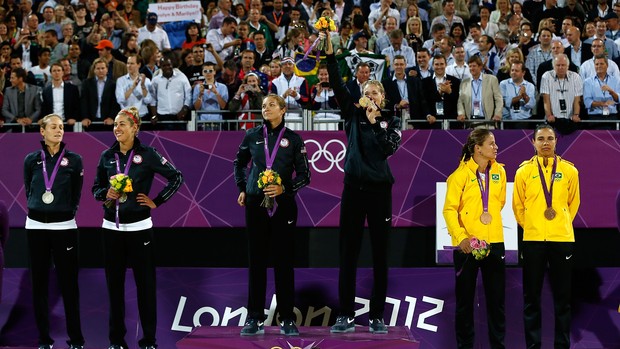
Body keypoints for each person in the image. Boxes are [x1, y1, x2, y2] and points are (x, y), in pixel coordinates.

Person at [323, 31, 401, 334]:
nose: (370, 97)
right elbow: (338, 83)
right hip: (353, 191)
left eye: (375, 94)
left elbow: (386, 150)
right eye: (366, 93)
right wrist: (331, 55)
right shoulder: (352, 115)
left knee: (380, 255)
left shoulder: (390, 123)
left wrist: (374, 122)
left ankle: (377, 315)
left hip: (380, 193)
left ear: (383, 99)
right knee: (348, 253)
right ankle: (345, 314)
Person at [92, 107, 183, 349]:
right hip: (111, 228)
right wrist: (105, 194)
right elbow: (95, 190)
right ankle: (116, 342)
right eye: (115, 125)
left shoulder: (148, 154)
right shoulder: (106, 156)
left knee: (145, 287)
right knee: (114, 288)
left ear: (135, 128)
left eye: (123, 124)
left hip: (140, 229)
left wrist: (157, 201)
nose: (117, 129)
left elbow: (176, 177)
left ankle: (149, 341)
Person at [233, 94, 310, 336]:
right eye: (264, 106)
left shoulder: (294, 139)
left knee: (284, 262)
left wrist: (284, 188)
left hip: (283, 205)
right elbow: (238, 163)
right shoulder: (252, 136)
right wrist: (243, 188)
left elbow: (305, 175)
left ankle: (287, 318)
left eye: (272, 105)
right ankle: (255, 317)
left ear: (283, 110)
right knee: (256, 262)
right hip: (256, 204)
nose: (266, 109)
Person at [513, 124, 580, 349]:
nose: (545, 143)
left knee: (563, 299)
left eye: (550, 138)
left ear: (556, 142)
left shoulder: (570, 170)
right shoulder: (523, 171)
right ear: (533, 142)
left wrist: (559, 223)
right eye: (540, 139)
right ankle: (533, 346)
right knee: (531, 298)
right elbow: (518, 207)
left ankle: (562, 346)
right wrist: (532, 225)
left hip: (562, 240)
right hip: (533, 240)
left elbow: (574, 203)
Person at [23, 114, 85, 349]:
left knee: (69, 285)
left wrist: (64, 212)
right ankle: (43, 340)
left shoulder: (74, 160)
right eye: (53, 127)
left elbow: (76, 194)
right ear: (42, 131)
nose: (59, 131)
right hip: (36, 227)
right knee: (39, 285)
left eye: (61, 127)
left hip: (64, 227)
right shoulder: (31, 160)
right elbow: (28, 187)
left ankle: (76, 341)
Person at [443, 128, 506, 349]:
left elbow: (499, 203)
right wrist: (461, 237)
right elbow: (449, 210)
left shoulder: (499, 172)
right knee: (465, 303)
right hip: (467, 245)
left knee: (496, 302)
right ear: (477, 148)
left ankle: (498, 346)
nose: (496, 147)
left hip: (495, 243)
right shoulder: (458, 176)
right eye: (491, 143)